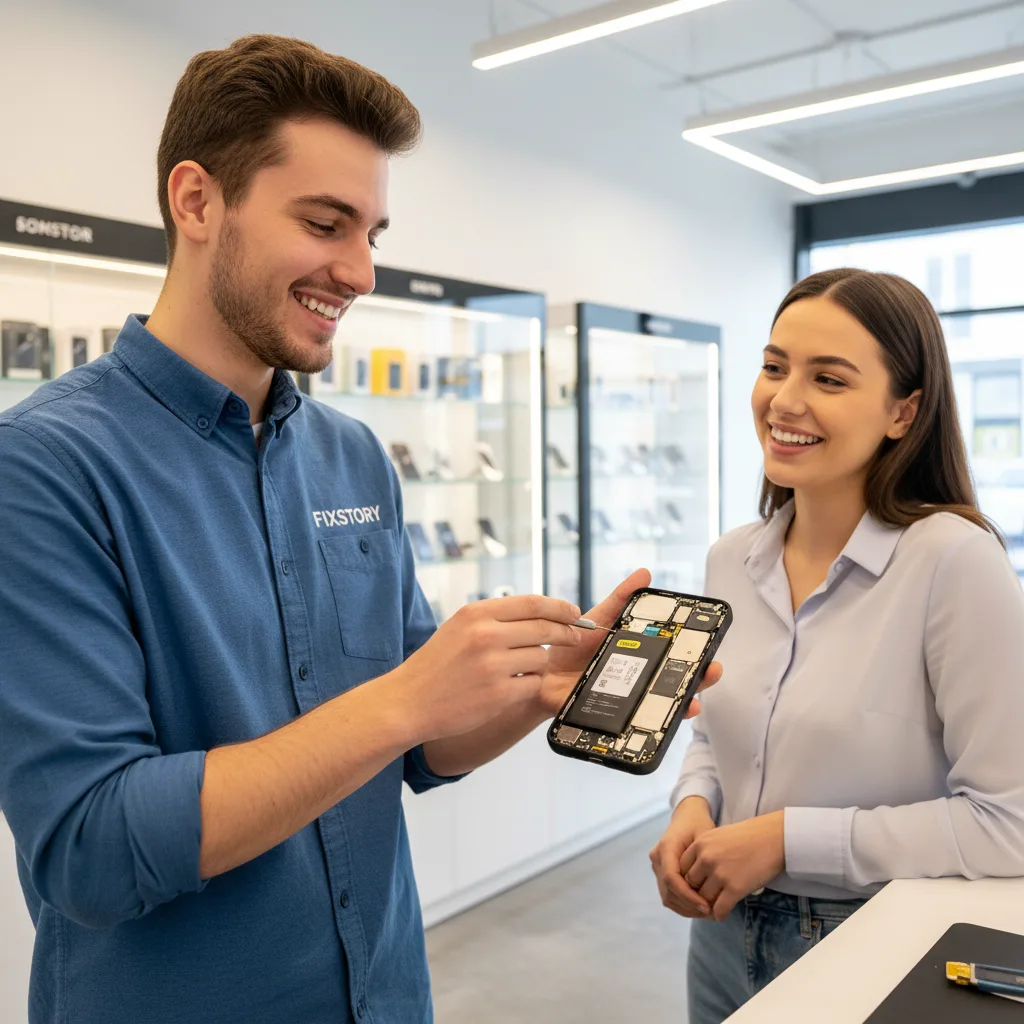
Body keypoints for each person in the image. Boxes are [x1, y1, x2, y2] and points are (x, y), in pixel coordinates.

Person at [0, 35, 720, 1024]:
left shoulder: (351, 457)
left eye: (373, 230)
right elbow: (90, 845)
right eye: (326, 223)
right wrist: (401, 703)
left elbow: (419, 750)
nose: (361, 269)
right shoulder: (43, 467)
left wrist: (530, 691)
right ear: (198, 200)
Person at [649, 268, 1024, 1024]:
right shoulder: (732, 558)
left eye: (829, 378)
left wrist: (788, 840)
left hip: (874, 938)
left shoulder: (952, 561)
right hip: (720, 938)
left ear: (903, 410)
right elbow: (719, 735)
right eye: (774, 365)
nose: (785, 399)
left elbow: (1008, 823)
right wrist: (695, 805)